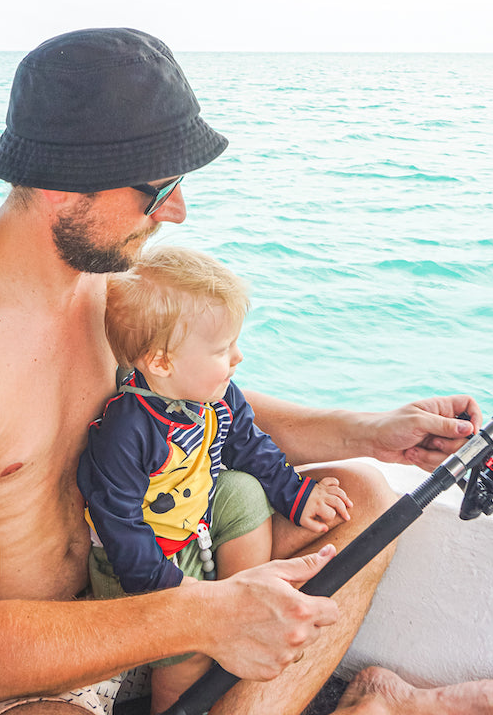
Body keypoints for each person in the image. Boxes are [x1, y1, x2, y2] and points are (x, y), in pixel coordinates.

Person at [0, 27, 493, 715]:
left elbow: (191, 401)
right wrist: (202, 613)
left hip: (128, 590)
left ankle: (368, 701)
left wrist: (371, 432)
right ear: (60, 186)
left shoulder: (101, 276)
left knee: (364, 499)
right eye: (158, 188)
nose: (177, 210)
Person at [79, 245, 353, 713]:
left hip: (195, 523)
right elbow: (119, 524)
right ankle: (179, 694)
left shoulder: (216, 397)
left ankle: (241, 600)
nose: (238, 357)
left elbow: (251, 445)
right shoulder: (127, 429)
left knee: (243, 489)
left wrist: (297, 493)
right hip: (144, 567)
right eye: (223, 349)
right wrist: (185, 601)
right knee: (186, 661)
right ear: (161, 363)